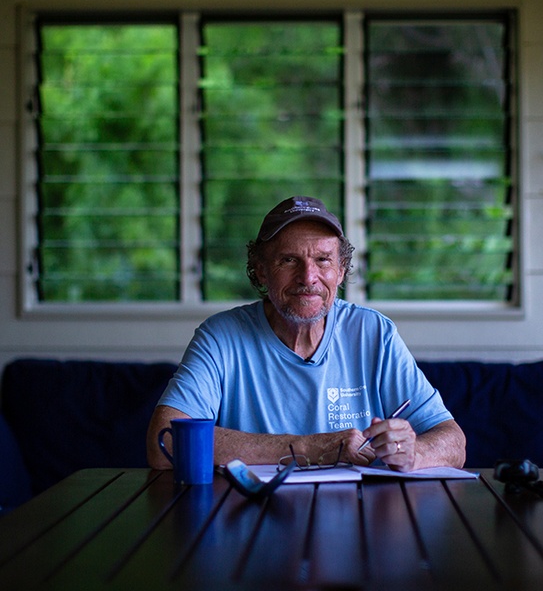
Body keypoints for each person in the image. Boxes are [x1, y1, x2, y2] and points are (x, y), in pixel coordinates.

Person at [147, 196, 466, 472]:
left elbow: (453, 441)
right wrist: (309, 448)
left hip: (358, 521)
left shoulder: (373, 333)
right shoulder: (220, 337)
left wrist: (415, 452)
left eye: (323, 260)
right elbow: (166, 441)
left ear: (341, 271)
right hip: (249, 518)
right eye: (289, 260)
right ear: (260, 270)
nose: (308, 277)